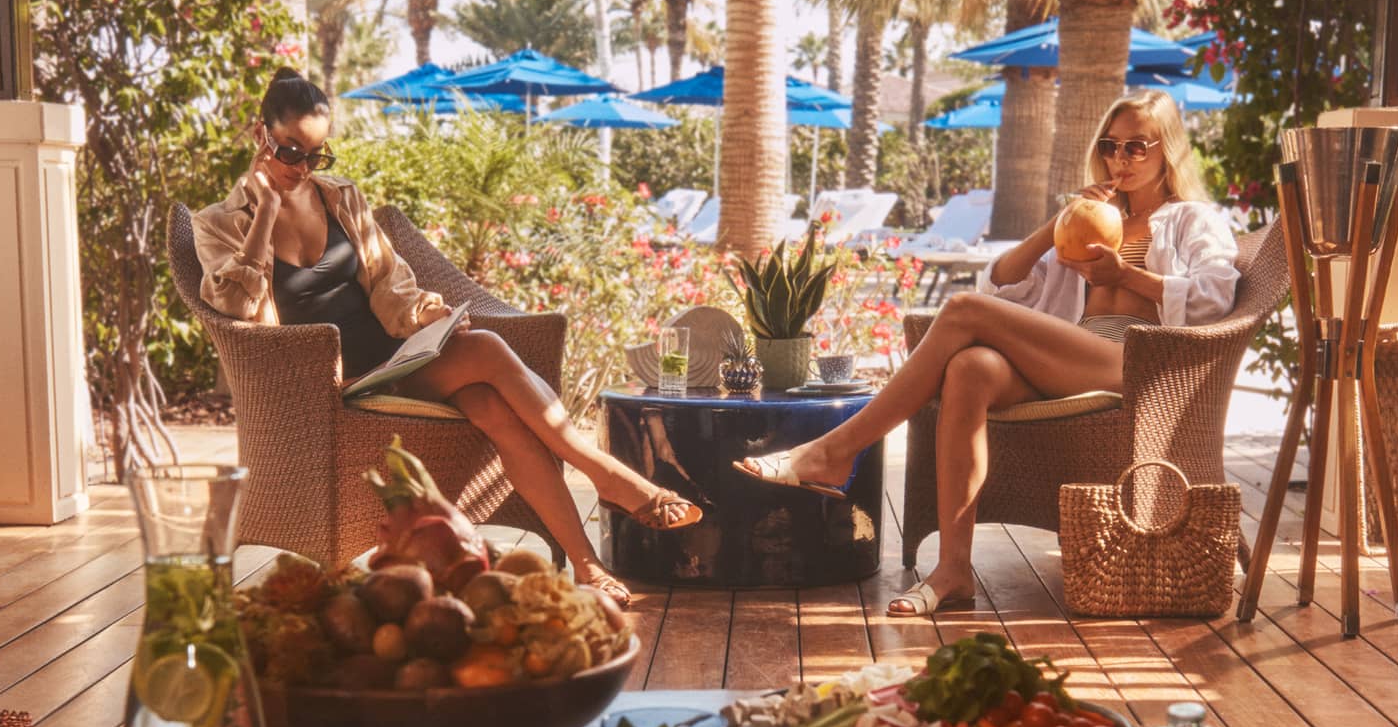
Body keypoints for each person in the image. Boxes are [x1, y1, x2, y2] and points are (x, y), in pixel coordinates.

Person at [192, 67, 702, 605]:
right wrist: (265, 215)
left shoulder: (341, 198)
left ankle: (586, 564)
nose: (301, 168)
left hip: (393, 362)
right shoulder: (218, 223)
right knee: (484, 352)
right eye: (290, 150)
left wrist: (428, 319)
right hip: (327, 382)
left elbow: (391, 287)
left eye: (316, 156)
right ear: (260, 135)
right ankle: (605, 477)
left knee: (491, 403)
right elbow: (235, 307)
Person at [735, 90, 1239, 616]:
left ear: (1168, 151)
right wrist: (1060, 222)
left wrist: (1127, 275)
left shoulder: (1192, 220)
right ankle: (954, 571)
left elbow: (1215, 295)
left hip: (1137, 361)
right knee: (970, 368)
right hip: (1071, 351)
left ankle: (837, 451)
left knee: (962, 309)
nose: (1120, 159)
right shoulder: (1092, 220)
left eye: (1138, 147)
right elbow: (1003, 281)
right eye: (1111, 146)